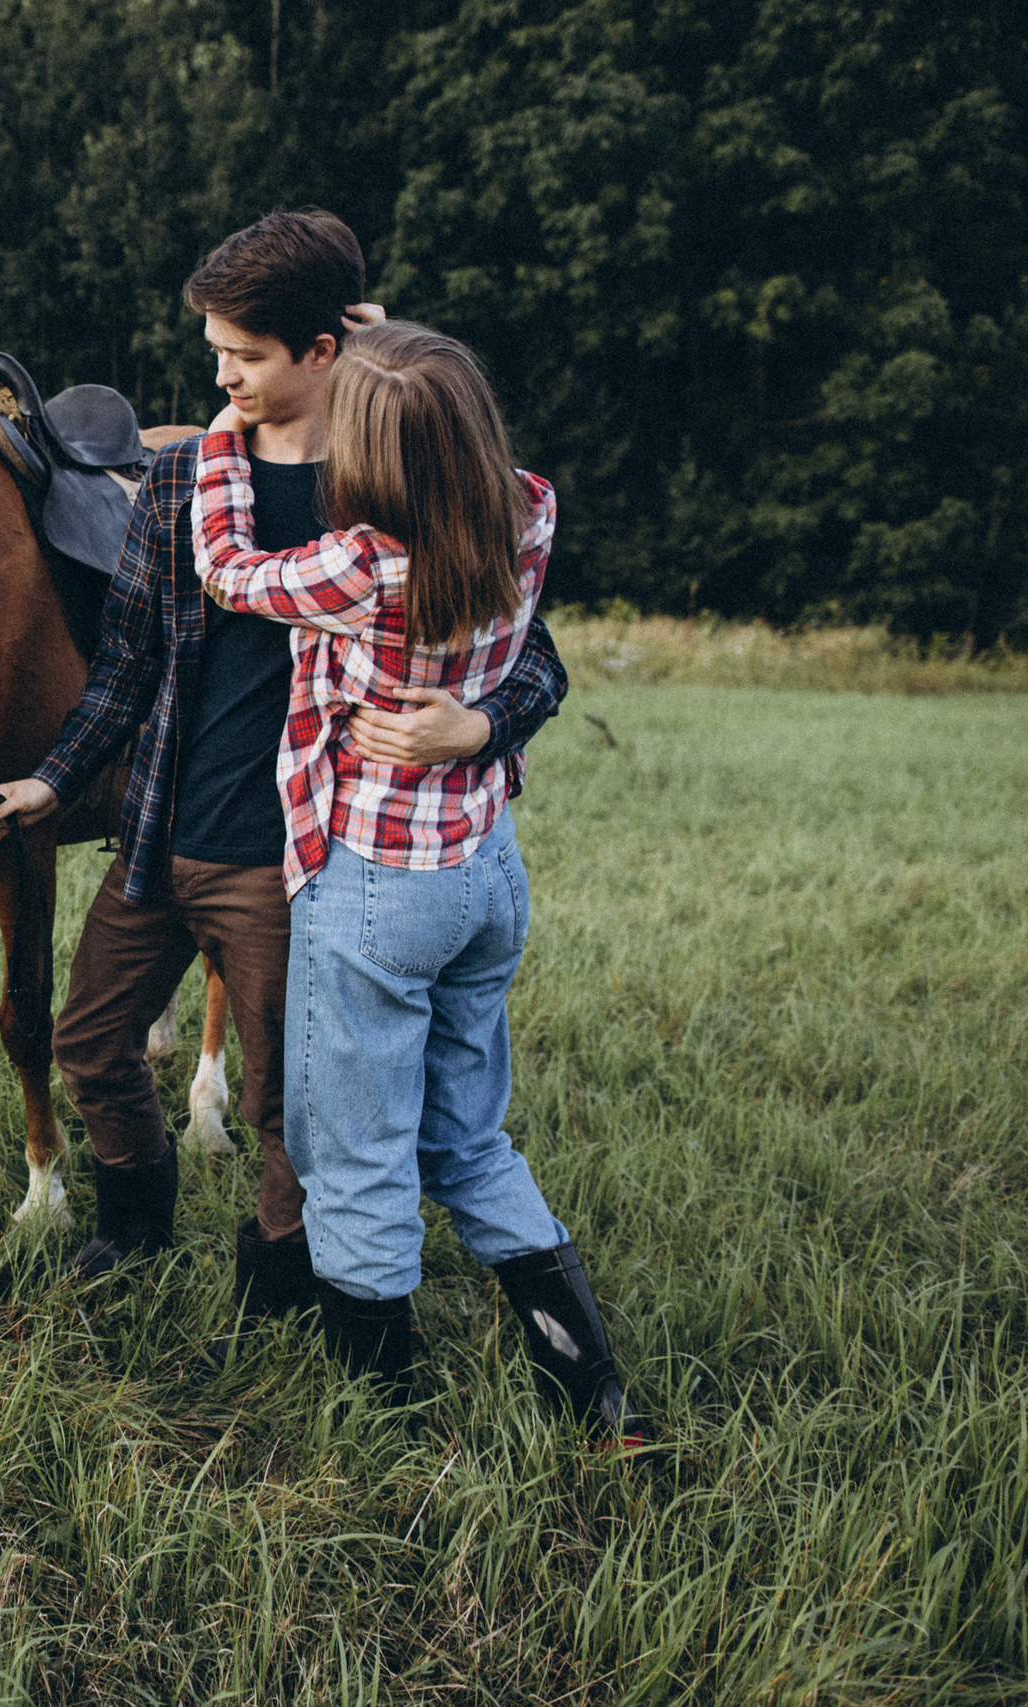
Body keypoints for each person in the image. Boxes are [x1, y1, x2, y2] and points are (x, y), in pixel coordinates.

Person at [0, 211, 571, 1334]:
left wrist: (479, 730)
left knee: (288, 1101)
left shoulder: (390, 478)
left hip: (299, 854)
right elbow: (131, 662)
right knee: (89, 1039)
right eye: (215, 352)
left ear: (323, 349)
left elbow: (529, 658)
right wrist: (55, 782)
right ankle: (136, 1215)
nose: (220, 376)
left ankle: (279, 1264)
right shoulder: (181, 482)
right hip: (161, 828)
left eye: (243, 355)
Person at [192, 318, 637, 1441]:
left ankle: (376, 1412)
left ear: (375, 453)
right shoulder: (529, 510)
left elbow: (226, 571)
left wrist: (215, 443)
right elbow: (442, 415)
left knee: (356, 1156)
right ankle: (594, 1392)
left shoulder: (360, 567)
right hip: (484, 872)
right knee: (467, 1139)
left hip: (378, 887)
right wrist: (391, 349)